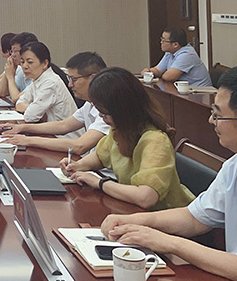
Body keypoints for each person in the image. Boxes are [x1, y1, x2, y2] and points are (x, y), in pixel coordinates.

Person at [100, 63, 237, 281]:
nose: (211, 121)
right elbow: (194, 218)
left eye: (218, 115)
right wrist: (134, 221)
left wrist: (169, 243)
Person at [61, 67, 194, 210]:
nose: (100, 116)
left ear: (122, 109)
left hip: (168, 215)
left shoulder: (155, 140)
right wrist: (77, 166)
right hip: (134, 211)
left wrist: (100, 183)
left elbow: (146, 197)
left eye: (105, 112)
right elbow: (101, 156)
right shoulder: (120, 131)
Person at [0, 51, 110, 155]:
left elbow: (79, 146)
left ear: (92, 78)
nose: (70, 84)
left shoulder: (108, 110)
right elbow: (63, 125)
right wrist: (21, 128)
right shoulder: (90, 104)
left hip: (95, 166)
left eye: (74, 79)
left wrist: (27, 140)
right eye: (69, 79)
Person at [12, 41, 80, 137]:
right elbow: (19, 103)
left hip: (66, 138)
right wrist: (33, 109)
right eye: (22, 62)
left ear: (45, 63)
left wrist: (32, 109)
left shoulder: (50, 82)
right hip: (51, 133)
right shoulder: (37, 79)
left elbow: (30, 116)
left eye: (30, 62)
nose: (24, 66)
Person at [142, 27, 212, 87]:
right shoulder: (169, 52)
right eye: (161, 39)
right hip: (184, 90)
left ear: (175, 44)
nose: (161, 42)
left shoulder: (187, 54)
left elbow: (168, 77)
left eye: (164, 40)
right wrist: (148, 71)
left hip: (200, 92)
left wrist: (157, 74)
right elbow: (158, 70)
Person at [0, 32, 38, 102]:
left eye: (15, 51)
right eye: (12, 51)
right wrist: (8, 71)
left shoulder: (38, 74)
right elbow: (2, 93)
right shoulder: (22, 71)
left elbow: (16, 98)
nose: (12, 55)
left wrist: (10, 77)